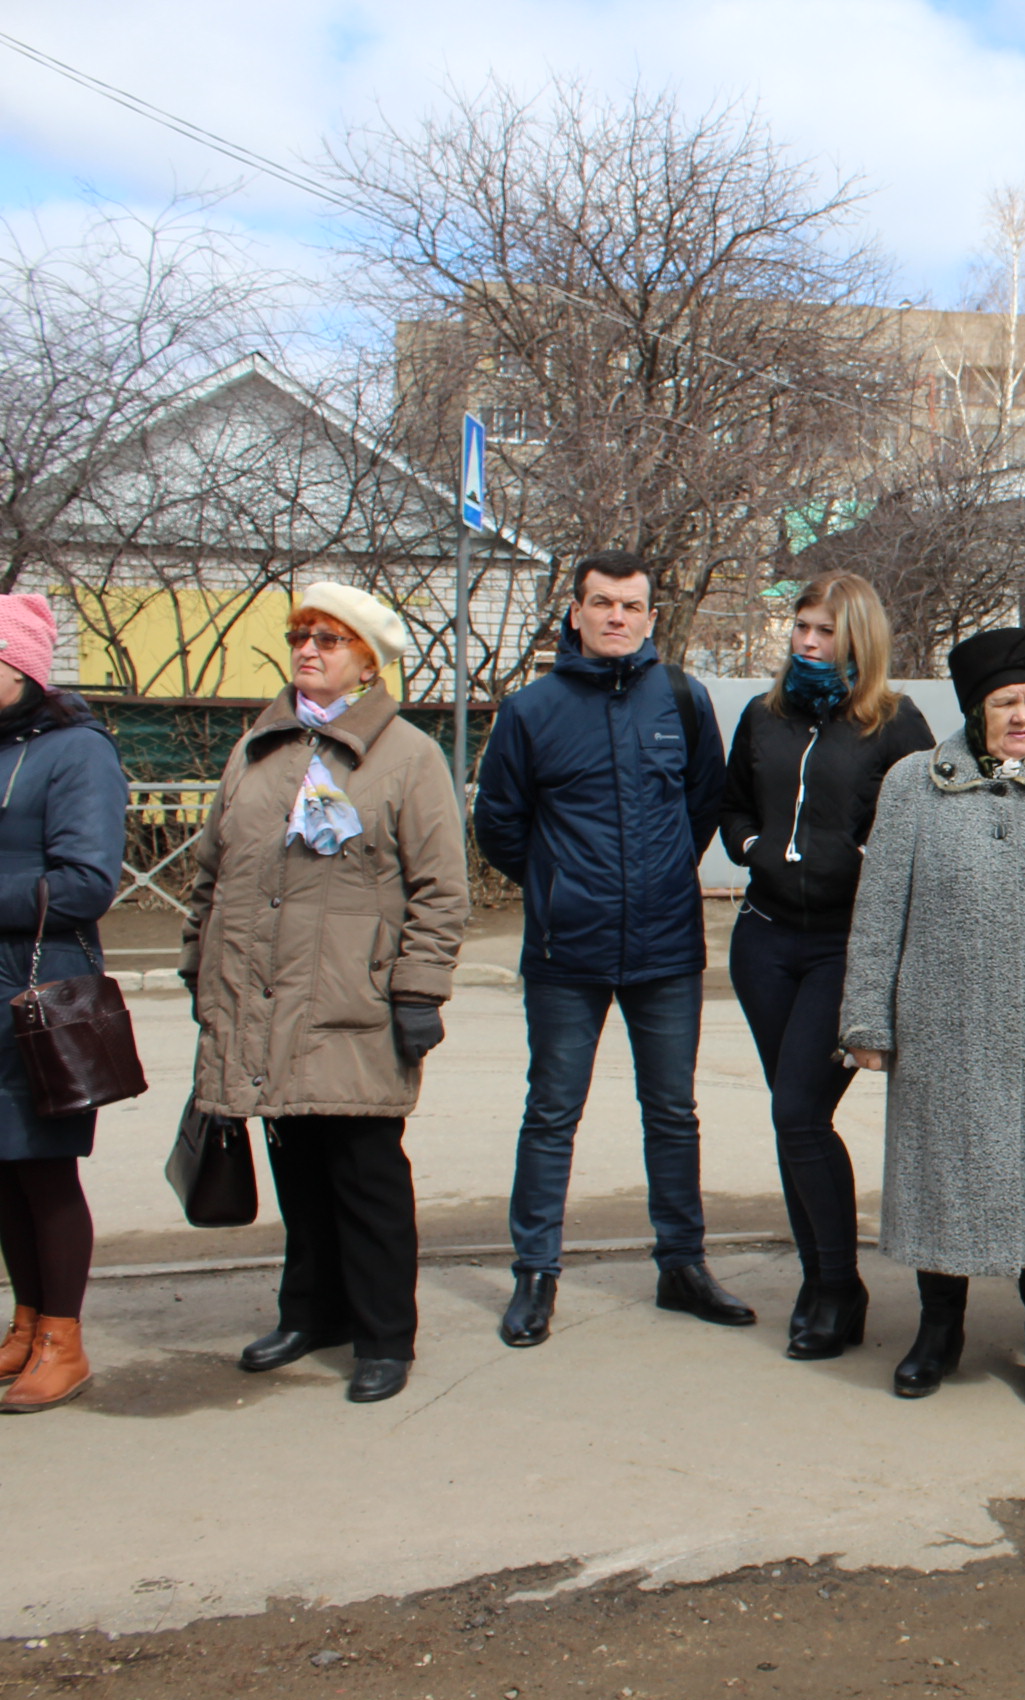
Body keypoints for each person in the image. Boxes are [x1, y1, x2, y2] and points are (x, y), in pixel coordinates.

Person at [839, 628, 1025, 1407]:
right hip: (941, 1025)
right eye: (1005, 704)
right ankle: (938, 1329)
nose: (1023, 718)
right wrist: (867, 1022)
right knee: (937, 1173)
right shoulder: (914, 783)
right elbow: (880, 912)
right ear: (975, 711)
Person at [181, 583, 468, 1404]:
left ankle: (384, 1335)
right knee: (297, 1166)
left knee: (365, 1172)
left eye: (329, 640)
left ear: (368, 661)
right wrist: (199, 964)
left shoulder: (406, 756)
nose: (309, 650)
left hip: (354, 1001)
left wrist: (418, 988)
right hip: (261, 1000)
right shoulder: (257, 749)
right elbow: (213, 871)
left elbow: (441, 888)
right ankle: (310, 1312)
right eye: (301, 635)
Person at [475, 550, 741, 1348]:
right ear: (576, 613)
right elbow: (499, 826)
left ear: (651, 617)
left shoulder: (683, 700)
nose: (617, 617)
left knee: (672, 1113)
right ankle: (535, 1272)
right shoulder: (530, 712)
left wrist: (656, 878)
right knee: (551, 1112)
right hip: (567, 951)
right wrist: (560, 885)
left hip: (665, 945)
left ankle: (682, 1265)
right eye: (602, 604)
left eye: (632, 606)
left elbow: (703, 805)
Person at [718, 573, 933, 1361]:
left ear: (858, 640)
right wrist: (751, 848)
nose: (807, 643)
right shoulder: (763, 715)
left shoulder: (894, 724)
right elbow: (732, 802)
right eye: (801, 628)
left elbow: (924, 825)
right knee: (793, 1113)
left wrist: (870, 859)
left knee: (799, 1112)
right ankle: (824, 1278)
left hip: (847, 948)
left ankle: (837, 1285)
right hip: (765, 940)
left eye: (824, 632)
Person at [0, 597, 126, 1414]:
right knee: (1, 1171)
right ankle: (25, 1319)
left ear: (20, 670)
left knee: (44, 1171)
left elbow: (87, 882)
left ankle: (63, 1339)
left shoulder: (78, 753)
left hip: (38, 991)